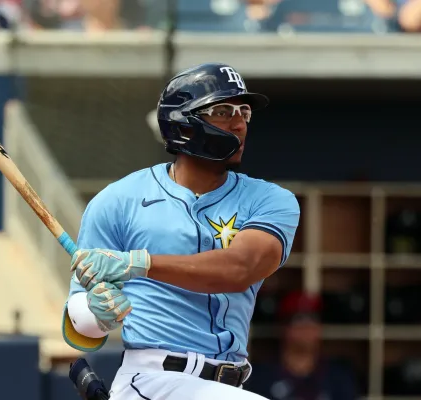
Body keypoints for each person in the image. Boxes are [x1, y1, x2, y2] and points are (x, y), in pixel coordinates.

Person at [61, 63, 301, 399]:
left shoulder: (271, 200)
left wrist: (140, 264)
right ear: (183, 123)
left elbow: (241, 268)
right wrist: (100, 314)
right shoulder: (118, 200)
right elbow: (80, 320)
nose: (239, 123)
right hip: (153, 380)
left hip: (229, 383)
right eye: (222, 111)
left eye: (243, 111)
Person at [245, 291, 360, 399]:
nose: (306, 328)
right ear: (285, 327)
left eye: (313, 320)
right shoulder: (260, 378)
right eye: (298, 320)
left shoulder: (338, 378)